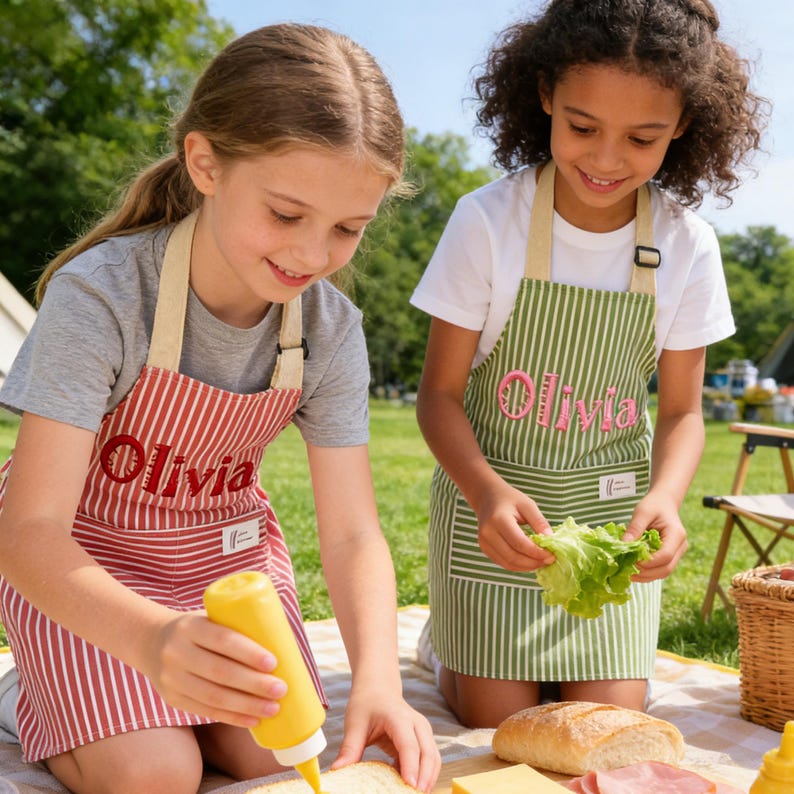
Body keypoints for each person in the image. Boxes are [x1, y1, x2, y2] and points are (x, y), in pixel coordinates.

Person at [0, 23, 441, 794]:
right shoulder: (104, 297)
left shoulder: (330, 331)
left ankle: (144, 709)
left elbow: (350, 530)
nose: (312, 255)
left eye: (348, 229)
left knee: (281, 753)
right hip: (84, 574)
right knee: (153, 774)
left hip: (222, 568)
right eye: (286, 214)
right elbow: (27, 532)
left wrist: (379, 681)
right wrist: (151, 640)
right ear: (206, 164)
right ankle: (29, 693)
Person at [411, 0, 766, 729]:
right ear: (544, 95)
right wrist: (485, 497)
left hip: (611, 524)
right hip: (497, 522)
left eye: (643, 138)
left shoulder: (687, 244)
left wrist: (665, 498)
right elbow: (439, 397)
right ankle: (446, 645)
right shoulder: (487, 221)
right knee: (497, 723)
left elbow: (681, 412)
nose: (606, 160)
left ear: (684, 126)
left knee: (607, 723)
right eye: (581, 127)